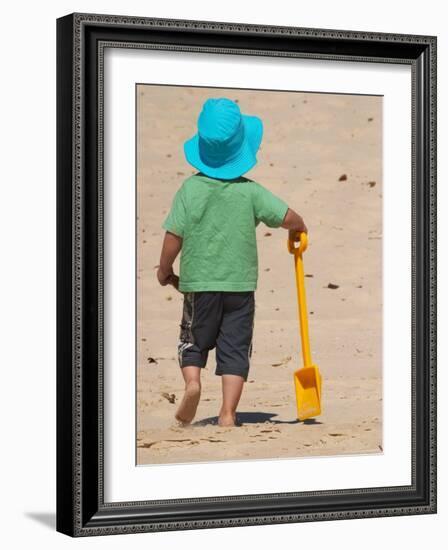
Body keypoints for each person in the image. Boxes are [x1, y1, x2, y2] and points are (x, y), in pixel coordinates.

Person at [157, 97, 307, 427]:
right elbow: (286, 216)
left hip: (199, 285)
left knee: (193, 340)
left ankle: (193, 382)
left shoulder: (190, 189)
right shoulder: (251, 192)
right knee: (235, 349)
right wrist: (299, 227)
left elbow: (174, 236)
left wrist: (165, 270)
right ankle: (227, 413)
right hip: (240, 287)